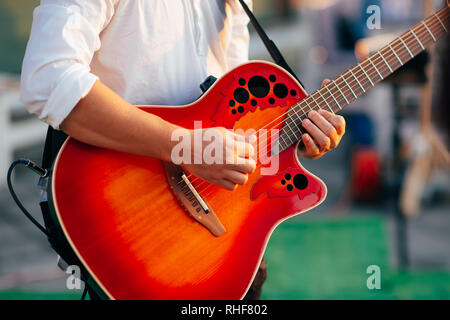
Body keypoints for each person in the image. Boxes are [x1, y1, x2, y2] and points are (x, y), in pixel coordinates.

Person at [20, 0, 346, 299]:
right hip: (133, 215)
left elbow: (232, 113)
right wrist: (184, 146)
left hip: (220, 237)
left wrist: (293, 141)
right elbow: (49, 79)